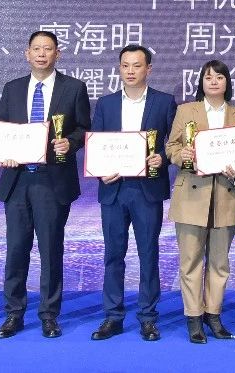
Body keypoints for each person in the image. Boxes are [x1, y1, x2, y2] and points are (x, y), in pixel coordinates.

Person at [0, 30, 90, 339]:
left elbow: (84, 128)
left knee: (50, 250)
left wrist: (71, 143)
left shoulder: (73, 88)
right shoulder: (12, 88)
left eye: (48, 49)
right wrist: (3, 153)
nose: (41, 54)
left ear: (57, 54)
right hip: (18, 180)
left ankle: (49, 314)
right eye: (36, 49)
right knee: (16, 249)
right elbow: (2, 130)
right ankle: (14, 314)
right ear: (27, 53)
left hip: (53, 180)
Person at [89, 44, 175, 342]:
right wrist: (99, 170)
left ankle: (148, 317)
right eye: (125, 65)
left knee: (148, 254)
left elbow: (173, 143)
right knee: (113, 255)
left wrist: (161, 157)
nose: (130, 71)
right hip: (113, 188)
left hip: (146, 190)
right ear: (119, 68)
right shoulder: (106, 104)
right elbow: (96, 143)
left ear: (148, 69)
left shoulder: (164, 102)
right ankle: (113, 316)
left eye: (137, 66)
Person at [166, 59, 235, 344]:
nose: (214, 82)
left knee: (219, 262)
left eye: (219, 77)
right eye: (208, 77)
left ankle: (213, 315)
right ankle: (193, 317)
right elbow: (171, 146)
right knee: (190, 261)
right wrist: (182, 156)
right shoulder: (186, 110)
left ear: (227, 82)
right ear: (201, 82)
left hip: (226, 194)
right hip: (192, 194)